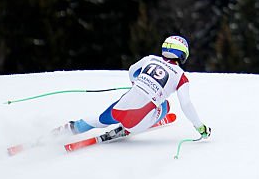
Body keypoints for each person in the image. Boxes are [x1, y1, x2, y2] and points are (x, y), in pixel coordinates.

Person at [58, 35, 210, 143]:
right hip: (136, 122)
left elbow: (132, 70)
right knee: (165, 106)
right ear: (183, 54)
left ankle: (65, 130)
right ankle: (127, 127)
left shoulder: (149, 59)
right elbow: (186, 104)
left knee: (98, 120)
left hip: (119, 108)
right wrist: (200, 127)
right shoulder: (180, 76)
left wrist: (137, 84)